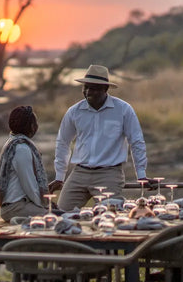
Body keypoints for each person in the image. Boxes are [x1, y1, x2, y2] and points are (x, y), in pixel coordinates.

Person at [48, 65, 156, 211]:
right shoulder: (74, 111)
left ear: (105, 89)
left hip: (109, 174)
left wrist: (141, 174)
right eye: (85, 87)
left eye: (93, 88)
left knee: (110, 216)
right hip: (80, 172)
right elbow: (63, 143)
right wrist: (60, 176)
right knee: (60, 213)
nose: (87, 92)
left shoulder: (123, 110)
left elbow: (136, 141)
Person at [0, 105, 50, 222]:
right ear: (32, 127)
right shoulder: (21, 148)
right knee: (57, 218)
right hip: (16, 207)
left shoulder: (12, 142)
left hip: (19, 206)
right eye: (36, 123)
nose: (37, 126)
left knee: (59, 214)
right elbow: (29, 185)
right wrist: (45, 205)